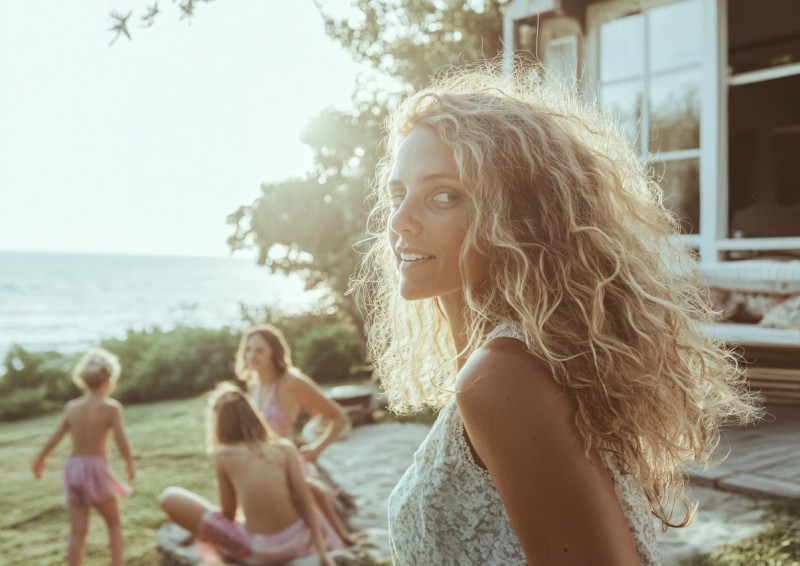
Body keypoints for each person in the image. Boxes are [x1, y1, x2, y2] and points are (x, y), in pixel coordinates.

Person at [353, 66, 761, 565]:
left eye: (443, 195)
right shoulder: (521, 361)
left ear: (518, 215)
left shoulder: (501, 378)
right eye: (398, 195)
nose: (398, 221)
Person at [159, 382, 341, 566]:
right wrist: (322, 551)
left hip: (261, 551)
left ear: (219, 423)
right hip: (298, 543)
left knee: (170, 497)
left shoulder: (223, 454)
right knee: (307, 488)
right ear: (253, 414)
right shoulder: (285, 447)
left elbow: (228, 514)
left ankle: (228, 554)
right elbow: (306, 501)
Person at [235, 324, 362, 546]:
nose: (252, 355)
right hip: (256, 464)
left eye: (259, 350)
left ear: (274, 352)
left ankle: (341, 538)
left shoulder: (292, 381)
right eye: (249, 349)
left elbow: (340, 417)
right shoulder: (254, 384)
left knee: (314, 495)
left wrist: (316, 449)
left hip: (285, 463)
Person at [32, 347, 135, 566]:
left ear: (84, 380)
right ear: (109, 380)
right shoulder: (111, 408)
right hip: (97, 469)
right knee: (114, 524)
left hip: (74, 469)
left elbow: (56, 437)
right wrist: (129, 464)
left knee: (78, 533)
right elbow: (121, 440)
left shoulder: (72, 407)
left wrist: (41, 458)